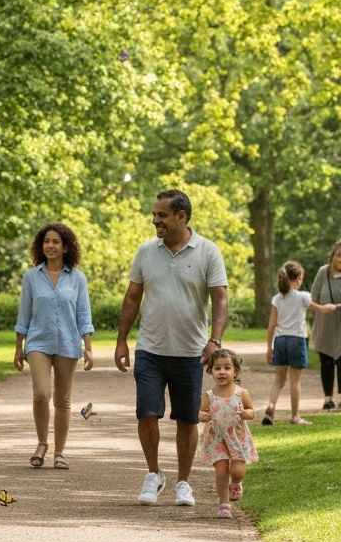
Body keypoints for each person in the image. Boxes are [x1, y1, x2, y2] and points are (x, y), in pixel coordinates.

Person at [115, 189, 229, 508]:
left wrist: (215, 340)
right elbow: (132, 298)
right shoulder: (146, 251)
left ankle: (183, 482)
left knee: (187, 420)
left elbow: (220, 298)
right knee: (147, 414)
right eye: (154, 214)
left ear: (181, 216)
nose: (155, 220)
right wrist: (122, 339)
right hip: (150, 349)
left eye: (162, 215)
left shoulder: (208, 251)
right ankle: (154, 474)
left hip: (190, 351)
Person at [14, 223, 94, 470]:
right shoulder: (31, 277)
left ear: (66, 247)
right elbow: (24, 313)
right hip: (38, 341)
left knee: (62, 400)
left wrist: (88, 347)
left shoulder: (78, 278)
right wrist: (19, 347)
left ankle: (59, 452)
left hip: (69, 343)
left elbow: (83, 314)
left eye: (55, 242)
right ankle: (42, 443)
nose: (50, 246)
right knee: (41, 394)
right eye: (46, 241)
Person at [261, 260, 337, 426]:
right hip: (297, 340)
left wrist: (269, 347)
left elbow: (272, 324)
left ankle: (271, 407)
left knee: (278, 380)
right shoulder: (303, 297)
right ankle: (295, 417)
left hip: (280, 341)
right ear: (296, 279)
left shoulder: (277, 299)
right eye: (301, 278)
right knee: (295, 381)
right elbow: (321, 309)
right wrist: (331, 307)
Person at [198, 348, 258, 519]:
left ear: (235, 371)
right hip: (216, 438)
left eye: (227, 368)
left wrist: (247, 414)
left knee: (237, 470)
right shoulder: (209, 396)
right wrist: (203, 416)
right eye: (217, 368)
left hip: (237, 437)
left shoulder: (241, 393)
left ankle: (237, 483)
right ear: (211, 371)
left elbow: (251, 411)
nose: (222, 372)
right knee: (221, 471)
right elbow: (201, 412)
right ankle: (224, 504)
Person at [310, 240, 341, 410]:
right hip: (324, 326)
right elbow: (313, 297)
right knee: (327, 363)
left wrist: (336, 307)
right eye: (339, 256)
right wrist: (321, 308)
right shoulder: (323, 272)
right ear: (333, 256)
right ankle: (328, 398)